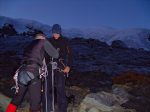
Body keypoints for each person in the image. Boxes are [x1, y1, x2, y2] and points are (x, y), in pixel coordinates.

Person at [6, 32, 59, 112]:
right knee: (35, 103)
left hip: (21, 72)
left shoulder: (28, 45)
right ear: (43, 37)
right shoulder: (43, 41)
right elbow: (55, 54)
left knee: (17, 99)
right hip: (33, 72)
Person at [43, 24, 73, 112]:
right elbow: (44, 55)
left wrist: (68, 66)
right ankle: (48, 109)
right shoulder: (48, 41)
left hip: (61, 68)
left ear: (60, 32)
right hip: (49, 68)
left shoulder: (65, 41)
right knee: (48, 90)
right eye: (54, 33)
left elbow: (70, 55)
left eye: (57, 33)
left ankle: (62, 110)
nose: (55, 34)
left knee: (61, 90)